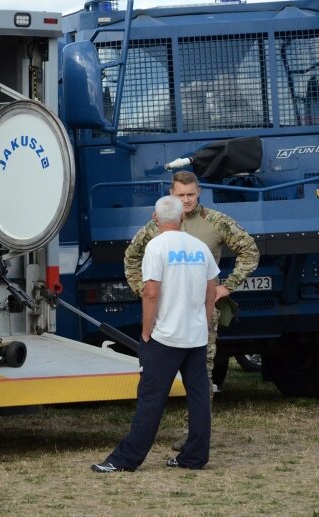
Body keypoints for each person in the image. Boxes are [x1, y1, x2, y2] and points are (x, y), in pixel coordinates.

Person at [124, 170, 259, 450]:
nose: (186, 200)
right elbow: (131, 255)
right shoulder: (158, 225)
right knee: (155, 377)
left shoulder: (216, 222)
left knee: (201, 377)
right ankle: (147, 432)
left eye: (190, 194)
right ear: (171, 194)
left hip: (201, 314)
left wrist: (228, 287)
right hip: (165, 315)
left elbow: (250, 251)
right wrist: (144, 290)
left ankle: (195, 437)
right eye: (180, 195)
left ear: (199, 193)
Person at [92, 195, 220, 472]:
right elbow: (211, 292)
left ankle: (125, 460)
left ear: (154, 219)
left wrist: (146, 331)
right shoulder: (200, 247)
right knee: (198, 396)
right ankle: (194, 457)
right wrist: (205, 324)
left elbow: (151, 292)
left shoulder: (156, 247)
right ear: (182, 217)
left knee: (151, 399)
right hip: (195, 336)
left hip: (165, 337)